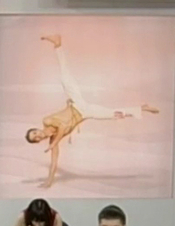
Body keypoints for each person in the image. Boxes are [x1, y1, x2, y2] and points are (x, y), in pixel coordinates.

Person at [25, 34, 159, 188]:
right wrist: (49, 181)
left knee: (65, 78)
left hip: (76, 103)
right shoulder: (53, 141)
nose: (37, 136)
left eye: (35, 133)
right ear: (38, 141)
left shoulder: (47, 121)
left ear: (36, 129)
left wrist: (55, 141)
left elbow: (62, 126)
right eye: (35, 138)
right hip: (85, 113)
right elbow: (54, 161)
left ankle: (57, 44)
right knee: (112, 114)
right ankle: (142, 108)